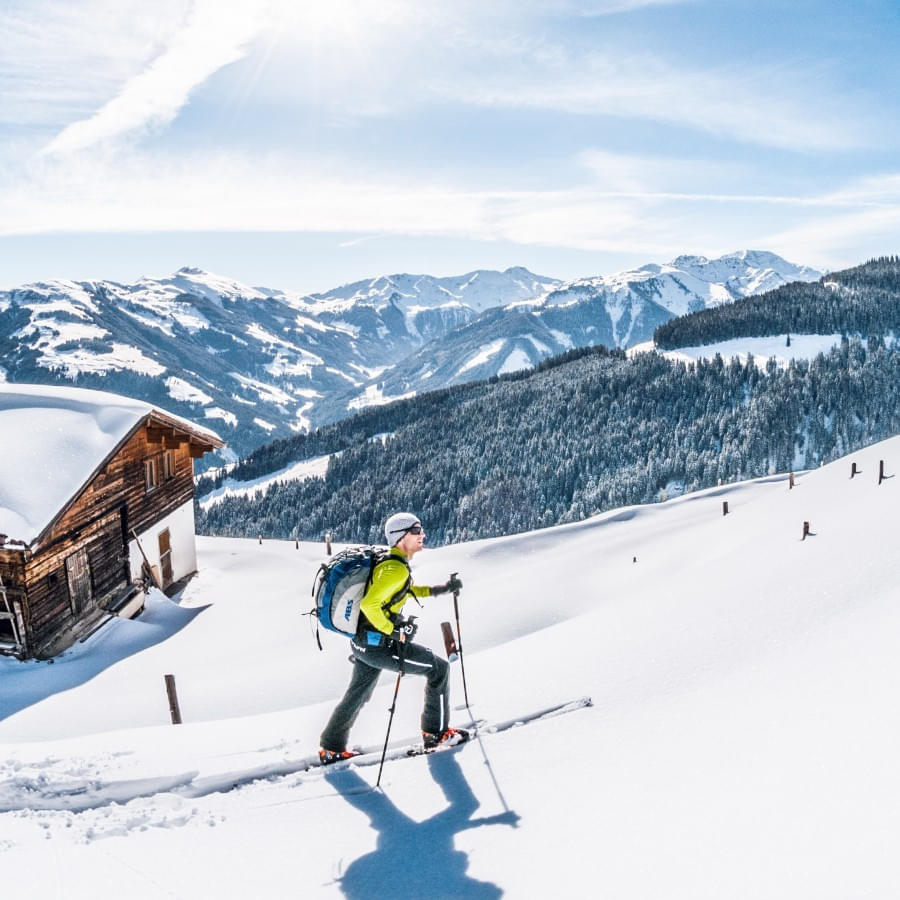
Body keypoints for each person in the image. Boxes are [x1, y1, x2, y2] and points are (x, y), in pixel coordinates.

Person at [319, 512, 464, 764]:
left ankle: (331, 747)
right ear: (401, 537)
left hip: (363, 641)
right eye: (416, 531)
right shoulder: (395, 569)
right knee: (438, 669)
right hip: (380, 645)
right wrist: (395, 631)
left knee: (357, 693)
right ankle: (437, 735)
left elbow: (402, 591)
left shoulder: (390, 564)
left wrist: (440, 590)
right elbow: (369, 604)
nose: (422, 535)